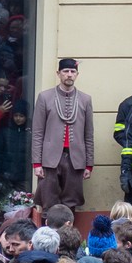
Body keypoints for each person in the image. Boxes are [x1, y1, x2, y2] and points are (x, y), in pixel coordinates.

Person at [32, 59, 97, 211]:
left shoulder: (85, 99)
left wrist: (89, 164)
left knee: (71, 201)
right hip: (50, 158)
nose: (69, 75)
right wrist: (37, 163)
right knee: (48, 200)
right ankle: (48, 233)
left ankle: (68, 233)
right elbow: (37, 133)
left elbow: (89, 134)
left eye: (72, 72)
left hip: (75, 158)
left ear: (77, 75)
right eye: (65, 71)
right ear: (58, 74)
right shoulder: (45, 97)